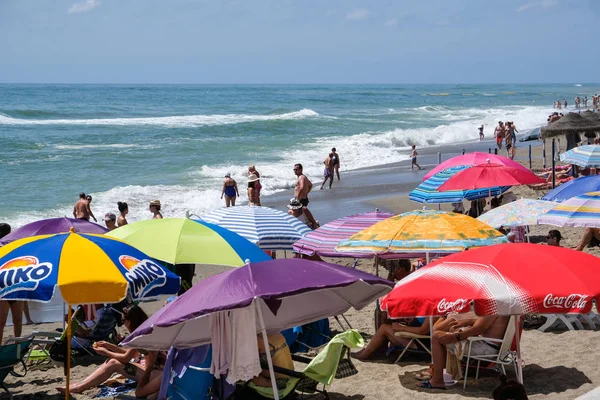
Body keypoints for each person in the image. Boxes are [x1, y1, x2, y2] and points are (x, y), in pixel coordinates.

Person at [56, 306, 162, 395]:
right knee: (112, 361)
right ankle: (81, 384)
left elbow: (126, 358)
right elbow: (132, 354)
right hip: (156, 371)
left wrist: (106, 352)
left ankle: (79, 387)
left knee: (113, 363)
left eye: (123, 321)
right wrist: (109, 346)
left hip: (153, 374)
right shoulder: (145, 329)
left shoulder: (138, 335)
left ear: (129, 321)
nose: (123, 323)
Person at [416, 314, 510, 390]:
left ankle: (437, 380)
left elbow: (477, 329)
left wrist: (455, 337)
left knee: (437, 337)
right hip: (493, 346)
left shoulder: (495, 307)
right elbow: (485, 322)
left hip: (485, 348)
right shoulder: (505, 305)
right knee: (449, 334)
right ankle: (446, 374)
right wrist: (467, 322)